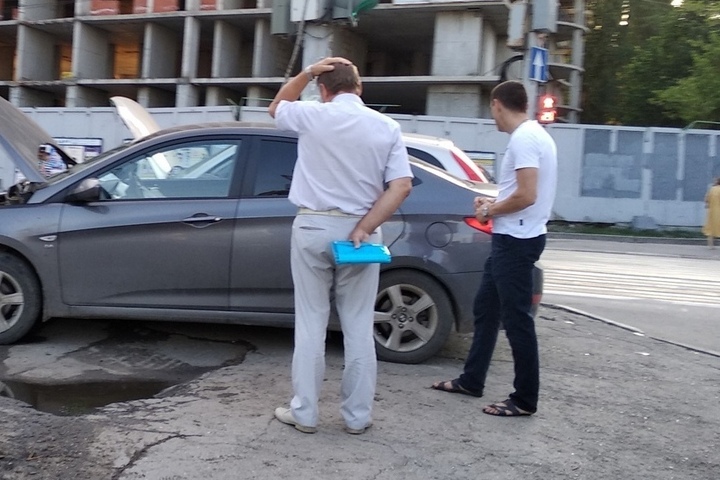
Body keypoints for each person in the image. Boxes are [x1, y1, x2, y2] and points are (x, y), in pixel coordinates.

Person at [268, 57, 413, 434]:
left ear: (323, 89)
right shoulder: (387, 127)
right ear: (359, 88)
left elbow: (276, 107)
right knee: (359, 326)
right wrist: (365, 226)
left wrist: (306, 71)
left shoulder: (314, 115)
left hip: (313, 224)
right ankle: (357, 417)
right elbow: (401, 186)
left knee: (311, 321)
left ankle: (305, 413)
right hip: (361, 236)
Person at [431, 81, 557, 417]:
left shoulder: (525, 140)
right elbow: (523, 192)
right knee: (486, 308)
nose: (493, 118)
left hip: (517, 240)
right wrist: (494, 201)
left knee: (517, 321)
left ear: (497, 104)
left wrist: (490, 210)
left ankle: (524, 399)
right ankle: (471, 380)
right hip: (515, 236)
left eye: (491, 110)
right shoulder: (535, 135)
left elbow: (527, 195)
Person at [703, 177, 720, 249]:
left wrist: (708, 204)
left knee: (711, 228)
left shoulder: (712, 189)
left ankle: (710, 245)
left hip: (712, 212)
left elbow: (706, 200)